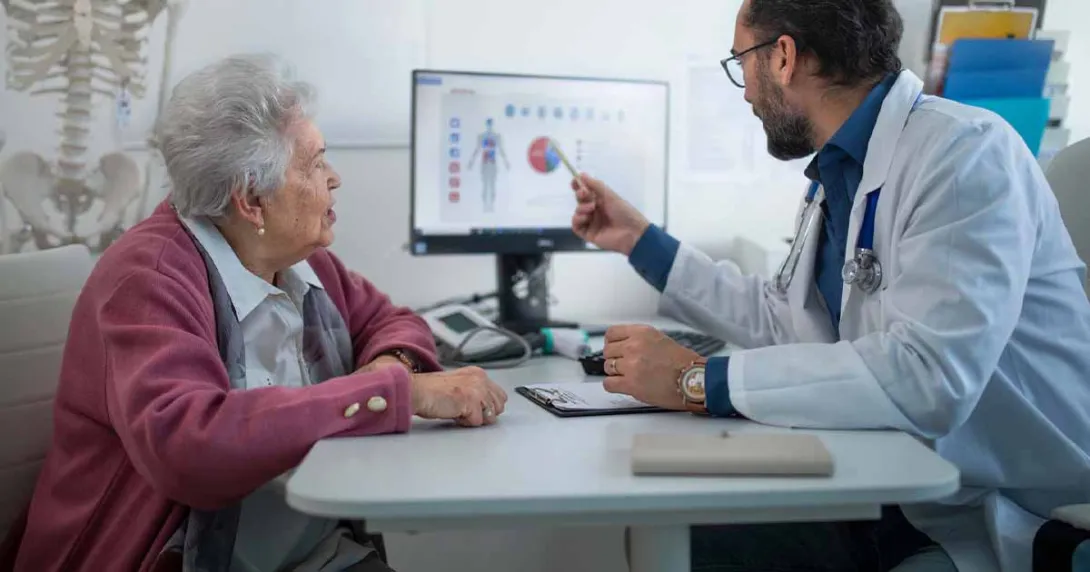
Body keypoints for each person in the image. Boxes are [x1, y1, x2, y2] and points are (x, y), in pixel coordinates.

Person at [570, 1, 1090, 571]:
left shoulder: (964, 154)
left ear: (784, 57)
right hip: (890, 485)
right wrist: (639, 240)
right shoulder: (839, 175)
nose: (744, 92)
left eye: (740, 62)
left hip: (1004, 513)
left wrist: (695, 379)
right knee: (686, 540)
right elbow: (785, 322)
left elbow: (928, 376)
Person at [4, 54, 508, 572]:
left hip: (311, 552)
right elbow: (189, 447)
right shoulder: (147, 280)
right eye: (314, 164)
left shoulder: (301, 261)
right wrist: (391, 395)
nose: (334, 179)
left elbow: (392, 320)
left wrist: (392, 367)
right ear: (251, 200)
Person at [466, 118, 510, 212]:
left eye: (490, 124)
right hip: (485, 164)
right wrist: (471, 162)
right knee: (485, 184)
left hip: (492, 164)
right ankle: (485, 205)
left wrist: (506, 162)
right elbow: (477, 150)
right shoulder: (481, 137)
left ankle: (492, 205)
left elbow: (501, 150)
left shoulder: (497, 137)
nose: (489, 126)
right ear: (486, 125)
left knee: (492, 184)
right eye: (488, 124)